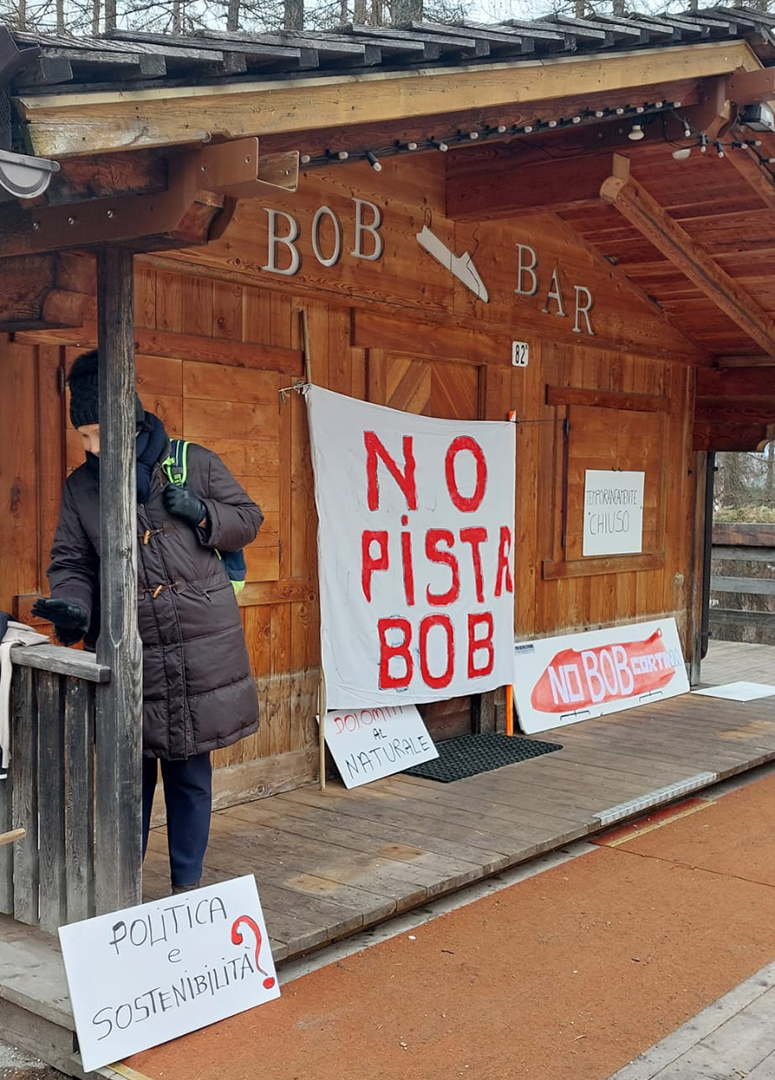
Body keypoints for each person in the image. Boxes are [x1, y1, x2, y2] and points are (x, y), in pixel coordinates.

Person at [33, 350, 263, 894]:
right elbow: (71, 562)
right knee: (127, 778)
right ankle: (125, 890)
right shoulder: (81, 487)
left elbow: (249, 519)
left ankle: (187, 888)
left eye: (97, 433)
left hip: (198, 647)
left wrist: (203, 513)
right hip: (128, 647)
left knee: (189, 775)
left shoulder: (192, 462)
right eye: (83, 436)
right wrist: (73, 608)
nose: (91, 447)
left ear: (127, 419)